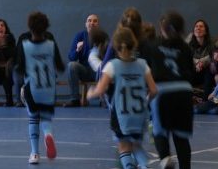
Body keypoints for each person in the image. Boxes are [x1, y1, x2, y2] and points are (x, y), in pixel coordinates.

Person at [87, 27, 157, 169]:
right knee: (137, 146)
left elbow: (101, 89)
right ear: (134, 44)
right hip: (139, 113)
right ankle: (144, 165)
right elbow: (154, 90)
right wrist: (145, 101)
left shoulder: (112, 65)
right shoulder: (143, 64)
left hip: (121, 115)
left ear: (115, 47)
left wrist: (90, 93)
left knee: (124, 148)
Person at [144, 11, 195, 169]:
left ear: (162, 28)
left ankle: (165, 158)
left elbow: (146, 70)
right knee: (181, 137)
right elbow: (192, 73)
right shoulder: (186, 48)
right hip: (184, 92)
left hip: (163, 92)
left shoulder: (153, 46)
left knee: (159, 132)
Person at [15, 11, 65, 164]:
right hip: (48, 89)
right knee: (45, 118)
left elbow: (19, 69)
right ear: (46, 27)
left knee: (33, 118)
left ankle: (35, 153)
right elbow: (61, 67)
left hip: (32, 88)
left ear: (29, 27)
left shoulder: (25, 46)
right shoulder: (51, 44)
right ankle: (48, 134)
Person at [64, 14, 99, 107]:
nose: (92, 23)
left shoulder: (103, 37)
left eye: (95, 21)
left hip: (98, 71)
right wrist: (77, 50)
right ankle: (75, 99)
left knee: (107, 67)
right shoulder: (80, 36)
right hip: (85, 70)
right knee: (71, 65)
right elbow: (71, 57)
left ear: (97, 24)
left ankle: (105, 99)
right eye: (89, 20)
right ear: (86, 24)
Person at [187, 19, 215, 101]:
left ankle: (205, 100)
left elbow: (214, 57)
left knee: (209, 70)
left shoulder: (212, 43)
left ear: (206, 31)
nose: (198, 28)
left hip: (207, 73)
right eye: (196, 26)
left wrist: (202, 63)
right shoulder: (188, 44)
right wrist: (197, 63)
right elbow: (186, 58)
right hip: (193, 71)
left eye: (201, 26)